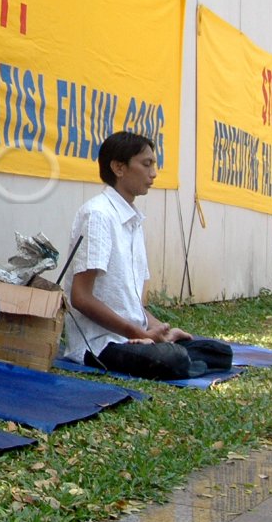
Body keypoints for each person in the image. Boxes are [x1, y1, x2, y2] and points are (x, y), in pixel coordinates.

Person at [62, 131, 231, 379]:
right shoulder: (98, 215)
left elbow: (131, 305)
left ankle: (176, 359)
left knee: (220, 352)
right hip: (100, 343)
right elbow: (80, 297)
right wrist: (138, 334)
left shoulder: (133, 220)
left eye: (154, 164)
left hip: (136, 337)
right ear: (119, 167)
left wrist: (158, 329)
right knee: (172, 358)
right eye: (146, 164)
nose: (153, 173)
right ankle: (177, 361)